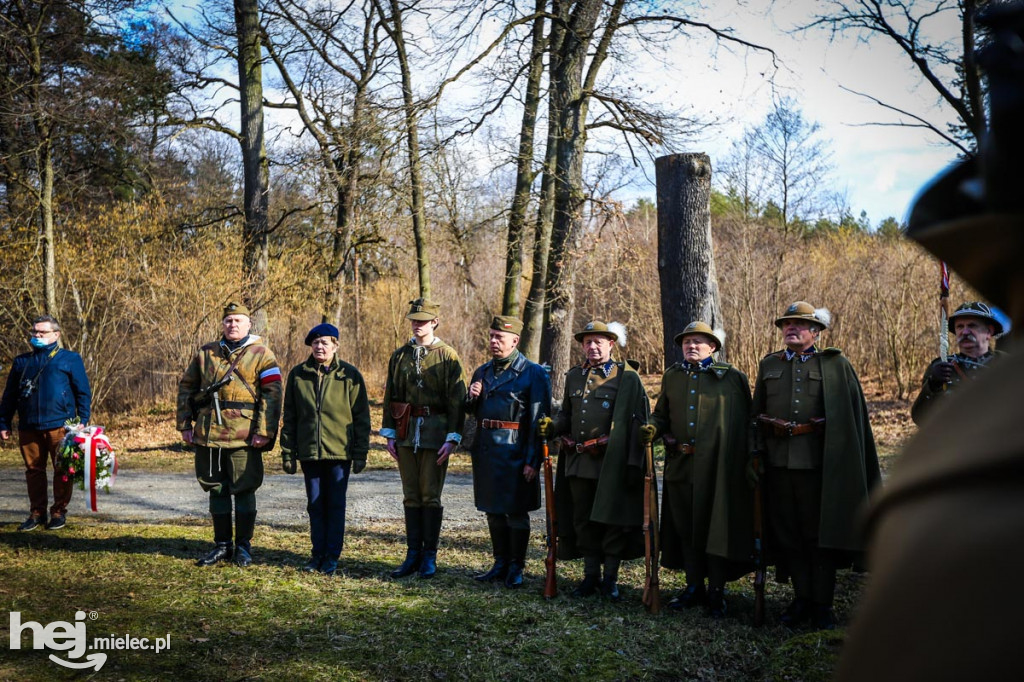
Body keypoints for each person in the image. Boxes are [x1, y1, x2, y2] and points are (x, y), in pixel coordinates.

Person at [836, 7, 1024, 677]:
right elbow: (921, 416)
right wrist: (940, 386)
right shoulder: (948, 372)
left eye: (976, 328)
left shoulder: (998, 425)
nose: (968, 335)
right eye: (963, 329)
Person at [750, 301, 880, 629]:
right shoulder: (768, 365)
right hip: (778, 466)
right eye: (786, 324)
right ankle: (801, 598)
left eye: (799, 324)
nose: (790, 328)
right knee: (788, 535)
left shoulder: (836, 365)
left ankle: (822, 604)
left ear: (816, 332)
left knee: (818, 536)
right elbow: (755, 414)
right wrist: (757, 451)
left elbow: (850, 419)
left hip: (820, 466)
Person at [640, 321, 752, 617]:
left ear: (713, 347)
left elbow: (746, 424)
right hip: (681, 466)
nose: (691, 346)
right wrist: (653, 427)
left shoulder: (730, 378)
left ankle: (716, 590)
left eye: (698, 341)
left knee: (714, 525)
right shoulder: (673, 377)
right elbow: (661, 414)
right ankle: (693, 587)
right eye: (687, 341)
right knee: (686, 526)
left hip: (717, 469)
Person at [537, 321, 647, 601]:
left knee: (611, 519)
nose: (592, 347)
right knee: (582, 518)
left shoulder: (626, 376)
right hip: (579, 461)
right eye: (588, 342)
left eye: (599, 341)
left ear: (612, 344)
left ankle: (610, 578)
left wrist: (632, 461)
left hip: (611, 461)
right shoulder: (574, 376)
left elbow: (636, 420)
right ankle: (590, 577)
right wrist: (553, 427)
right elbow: (567, 416)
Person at [176, 302, 282, 568]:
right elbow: (186, 388)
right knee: (216, 489)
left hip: (245, 435)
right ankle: (222, 545)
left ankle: (244, 547)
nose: (232, 325)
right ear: (222, 324)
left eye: (238, 320)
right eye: (228, 320)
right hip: (209, 433)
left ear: (249, 324)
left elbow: (273, 395)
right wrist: (185, 425)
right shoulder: (206, 353)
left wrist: (265, 432)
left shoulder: (262, 354)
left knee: (244, 489)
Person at [380, 299, 467, 579]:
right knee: (411, 496)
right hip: (405, 433)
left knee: (430, 496)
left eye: (423, 320)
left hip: (435, 433)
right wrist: (390, 432)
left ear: (434, 322)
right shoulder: (400, 355)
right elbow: (390, 394)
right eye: (414, 320)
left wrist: (453, 436)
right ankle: (412, 554)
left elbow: (457, 399)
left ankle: (430, 556)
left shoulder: (447, 356)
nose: (418, 325)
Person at [466, 315, 550, 588]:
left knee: (515, 512)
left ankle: (517, 566)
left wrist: (532, 460)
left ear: (514, 341)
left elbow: (539, 419)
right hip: (487, 450)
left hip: (516, 450)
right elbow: (472, 412)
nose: (493, 342)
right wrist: (472, 398)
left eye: (499, 337)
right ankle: (499, 563)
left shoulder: (532, 372)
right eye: (491, 336)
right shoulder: (482, 372)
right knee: (492, 510)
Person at [280, 323, 370, 576]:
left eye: (325, 343)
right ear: (311, 345)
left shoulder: (349, 375)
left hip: (339, 453)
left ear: (335, 346)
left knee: (335, 505)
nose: (320, 347)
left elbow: (362, 417)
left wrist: (360, 453)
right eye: (316, 343)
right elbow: (290, 417)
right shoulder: (298, 375)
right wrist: (288, 452)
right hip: (310, 452)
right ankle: (316, 554)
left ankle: (332, 556)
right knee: (315, 505)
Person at [0, 315, 92, 532]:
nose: (37, 336)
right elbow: (10, 396)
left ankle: (59, 512)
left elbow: (83, 393)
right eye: (34, 332)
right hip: (28, 426)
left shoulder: (69, 359)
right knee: (33, 470)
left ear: (56, 335)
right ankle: (37, 513)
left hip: (60, 426)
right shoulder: (22, 362)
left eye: (42, 332)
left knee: (62, 469)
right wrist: (3, 422)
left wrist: (82, 421)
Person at [910, 301, 1007, 425]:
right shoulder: (942, 367)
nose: (965, 332)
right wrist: (932, 385)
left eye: (972, 326)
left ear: (989, 332)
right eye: (960, 327)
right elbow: (920, 419)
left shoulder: (1007, 364)